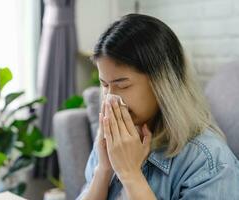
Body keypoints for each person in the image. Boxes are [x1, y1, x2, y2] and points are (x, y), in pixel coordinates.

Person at [76, 14, 239, 200]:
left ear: (162, 84)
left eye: (123, 85)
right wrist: (103, 170)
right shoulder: (113, 141)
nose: (111, 99)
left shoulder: (208, 161)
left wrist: (130, 174)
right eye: (105, 85)